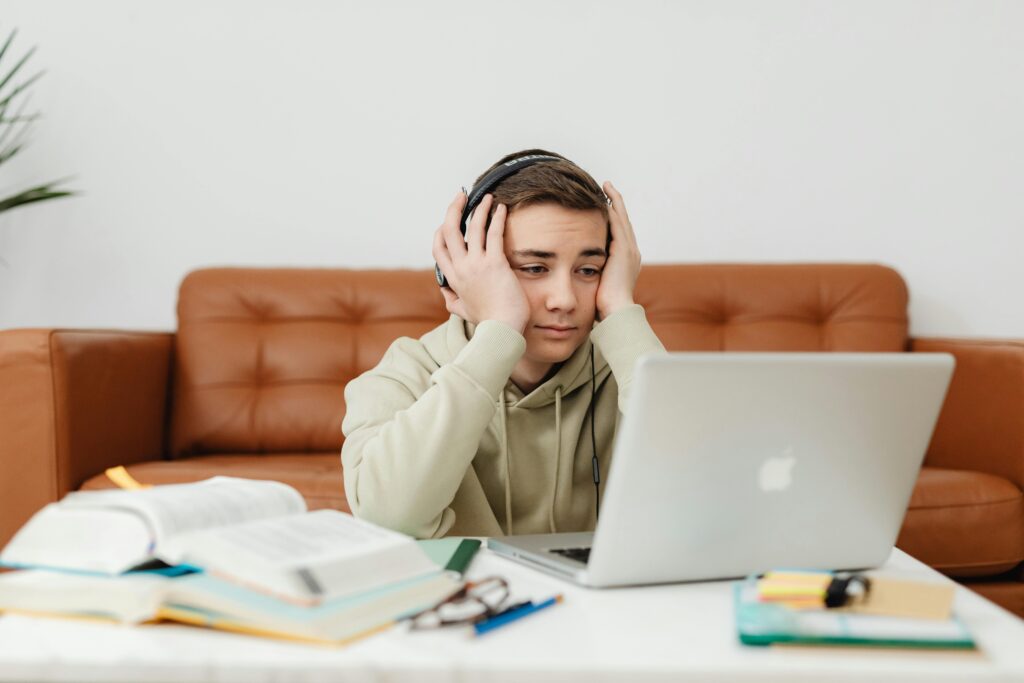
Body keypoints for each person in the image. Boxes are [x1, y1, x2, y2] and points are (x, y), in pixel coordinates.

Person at [341, 149, 666, 538]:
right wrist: (500, 331)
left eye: (588, 270)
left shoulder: (628, 369)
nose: (564, 299)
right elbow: (389, 519)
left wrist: (619, 309)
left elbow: (709, 491)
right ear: (459, 271)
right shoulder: (403, 376)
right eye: (533, 268)